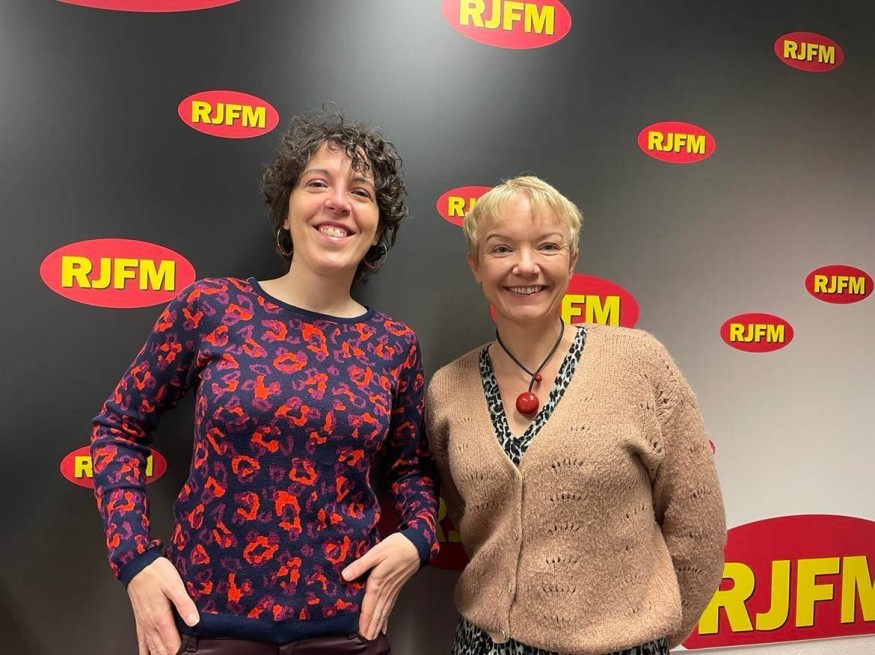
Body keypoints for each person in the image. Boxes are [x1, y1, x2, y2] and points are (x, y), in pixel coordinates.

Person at [90, 110, 439, 655]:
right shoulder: (213, 307)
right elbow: (118, 429)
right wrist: (135, 559)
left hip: (344, 631)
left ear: (377, 228)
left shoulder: (394, 344)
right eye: (317, 183)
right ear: (286, 212)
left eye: (361, 192)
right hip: (205, 627)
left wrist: (418, 538)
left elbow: (412, 468)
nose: (338, 202)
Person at [425, 175, 726, 655]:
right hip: (483, 645)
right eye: (501, 248)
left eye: (547, 246)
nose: (526, 266)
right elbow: (465, 515)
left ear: (572, 261)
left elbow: (697, 521)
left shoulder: (638, 364)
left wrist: (647, 636)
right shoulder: (447, 390)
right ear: (476, 265)